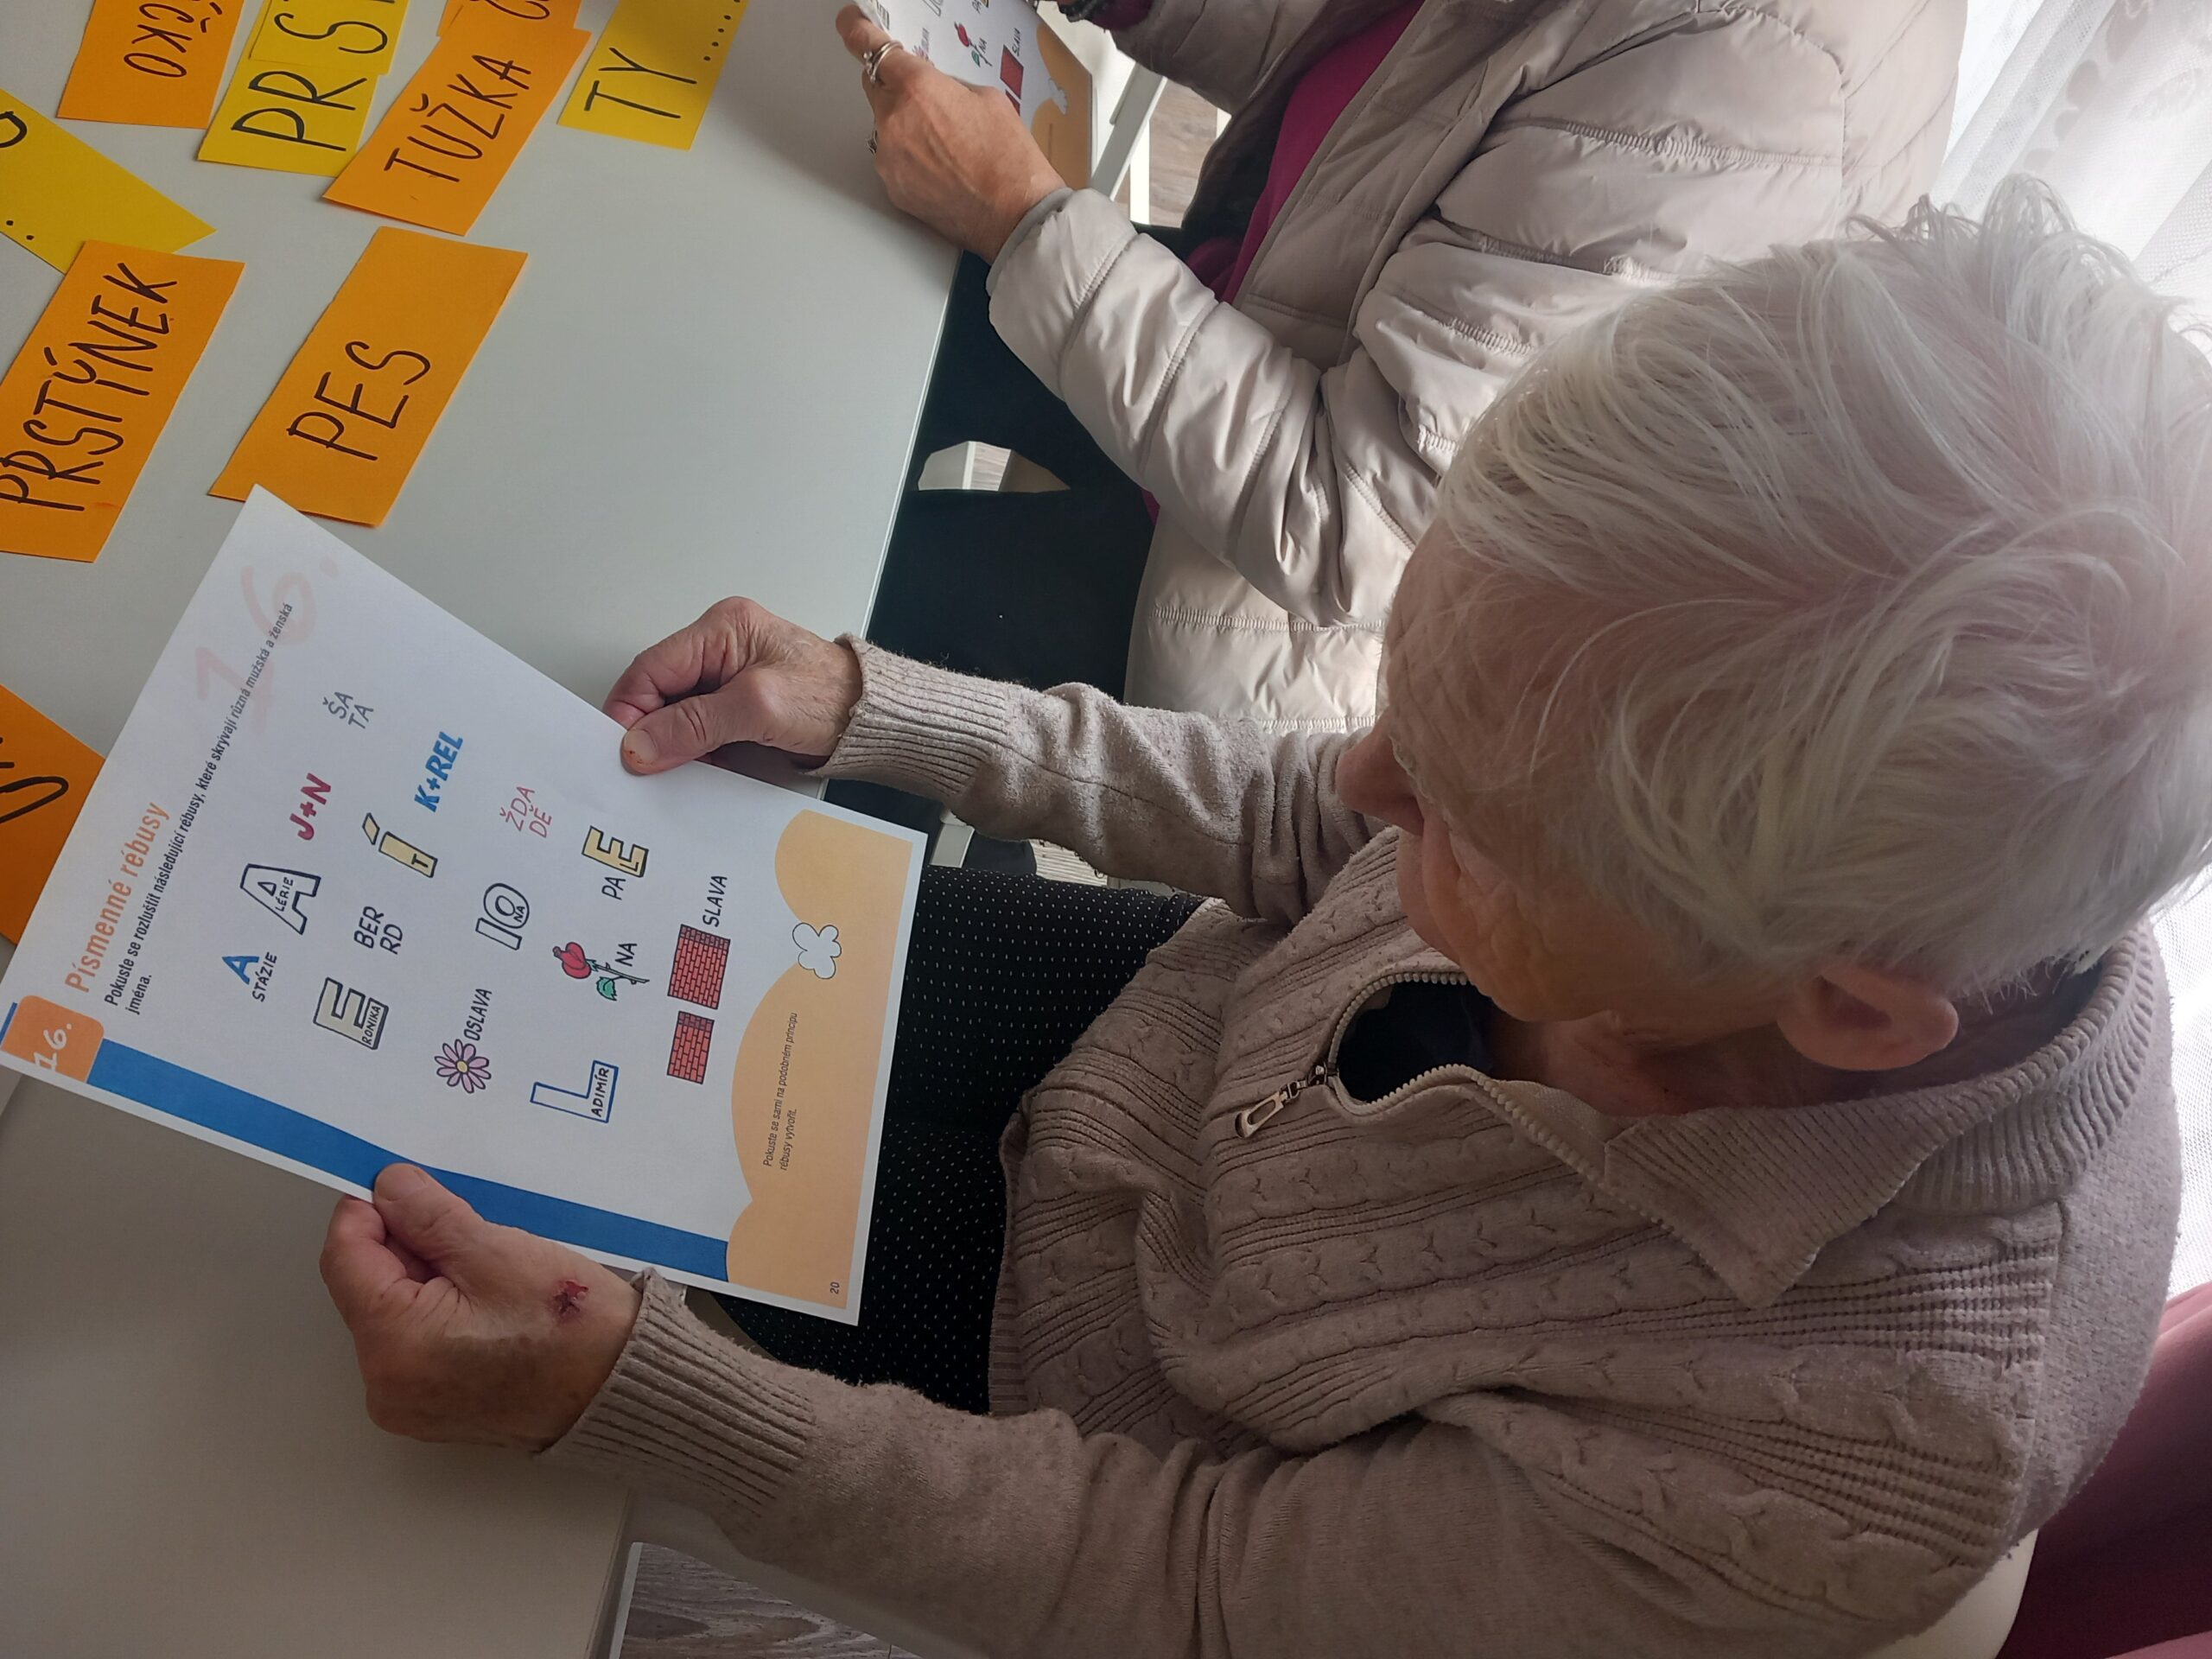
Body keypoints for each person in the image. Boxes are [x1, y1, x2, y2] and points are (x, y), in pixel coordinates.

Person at [321, 183, 2205, 1658]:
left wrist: (649, 1402)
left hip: (1081, 1416)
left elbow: (1197, 1587)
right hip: (1159, 1041)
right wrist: (883, 709)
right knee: (481, 989)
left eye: (1462, 820)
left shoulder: (1857, 1453)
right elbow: (1314, 813)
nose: (1362, 788)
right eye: (1406, 702)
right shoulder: (1773, 855)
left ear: (1850, 1011)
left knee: (349, 1280)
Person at [839, 0, 1968, 728]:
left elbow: (1353, 523)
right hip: (1242, 321)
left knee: (837, 625)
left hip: (1245, 600)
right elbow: (1404, 67)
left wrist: (1018, 215)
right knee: (842, 287)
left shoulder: (1749, 86)